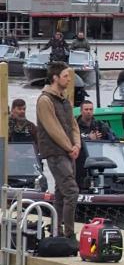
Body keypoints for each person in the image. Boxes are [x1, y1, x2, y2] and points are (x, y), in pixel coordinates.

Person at [36, 62, 81, 239]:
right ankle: (69, 234)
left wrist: (77, 145)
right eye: (65, 76)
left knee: (62, 192)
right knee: (72, 191)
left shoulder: (64, 99)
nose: (69, 79)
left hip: (69, 151)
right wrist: (70, 147)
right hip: (56, 152)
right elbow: (53, 128)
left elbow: (73, 124)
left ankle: (57, 229)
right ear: (55, 78)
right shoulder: (45, 100)